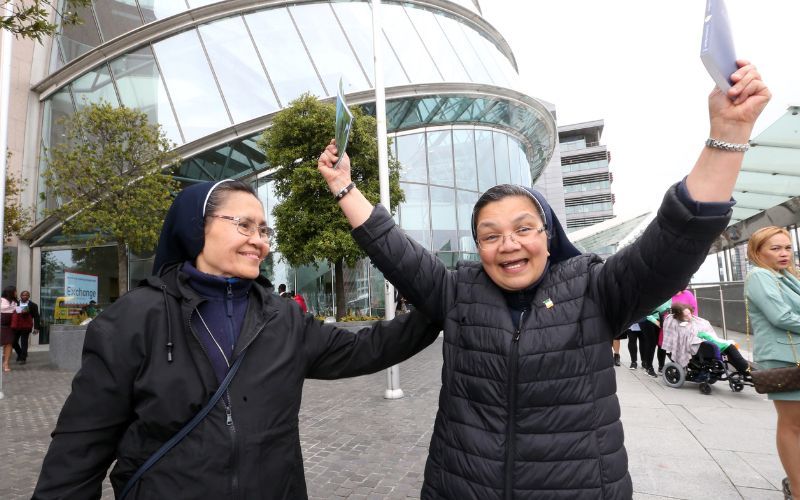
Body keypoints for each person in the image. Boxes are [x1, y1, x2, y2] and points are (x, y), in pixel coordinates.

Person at [318, 61, 769, 498]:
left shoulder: (595, 289)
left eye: (523, 229)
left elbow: (673, 241)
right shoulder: (458, 291)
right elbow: (393, 249)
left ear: (549, 237)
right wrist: (343, 186)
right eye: (490, 236)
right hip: (460, 483)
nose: (508, 244)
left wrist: (727, 135)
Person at [33, 179, 443, 499]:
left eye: (264, 229)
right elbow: (78, 452)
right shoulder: (134, 319)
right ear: (196, 227)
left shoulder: (283, 317)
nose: (259, 240)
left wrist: (442, 304)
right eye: (243, 225)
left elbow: (370, 347)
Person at [744, 226, 800, 500]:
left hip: (795, 356)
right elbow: (781, 317)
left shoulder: (785, 276)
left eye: (787, 247)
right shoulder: (759, 276)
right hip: (784, 359)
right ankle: (797, 488)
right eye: (775, 248)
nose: (784, 253)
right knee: (792, 424)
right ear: (757, 252)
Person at [12, 290, 40, 364]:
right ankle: (20, 354)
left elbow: (36, 317)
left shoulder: (33, 305)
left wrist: (36, 328)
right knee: (13, 342)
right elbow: (15, 314)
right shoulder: (16, 303)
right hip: (17, 326)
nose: (25, 296)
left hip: (26, 326)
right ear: (20, 296)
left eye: (27, 295)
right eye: (23, 295)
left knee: (24, 342)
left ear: (29, 296)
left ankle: (23, 358)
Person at [1, 285, 18, 372]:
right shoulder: (2, 300)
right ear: (10, 292)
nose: (16, 293)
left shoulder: (15, 302)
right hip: (1, 325)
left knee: (9, 344)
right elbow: (4, 308)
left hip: (9, 326)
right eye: (15, 291)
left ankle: (6, 363)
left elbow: (17, 311)